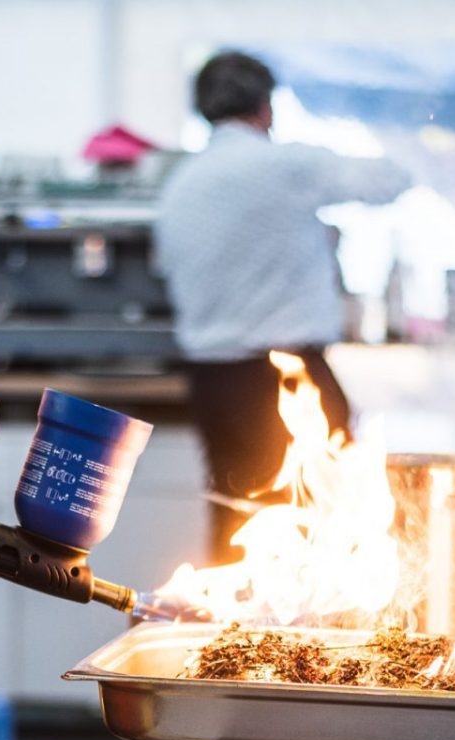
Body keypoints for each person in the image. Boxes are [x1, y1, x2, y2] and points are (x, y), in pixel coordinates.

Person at [154, 51, 411, 559]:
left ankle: (228, 639)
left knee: (235, 522)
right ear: (265, 107)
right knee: (317, 529)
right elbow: (391, 180)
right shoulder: (286, 164)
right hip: (283, 374)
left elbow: (166, 270)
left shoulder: (181, 184)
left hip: (209, 380)